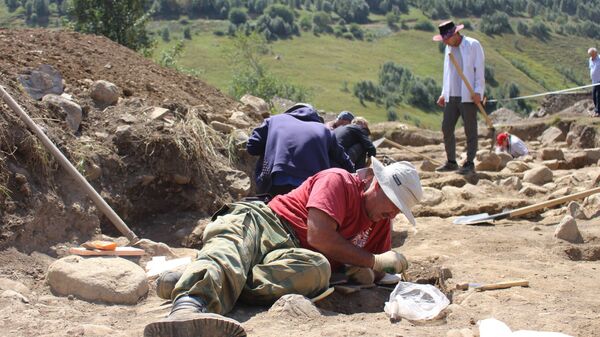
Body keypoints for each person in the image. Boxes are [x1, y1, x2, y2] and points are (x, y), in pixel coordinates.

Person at [143, 157, 423, 337]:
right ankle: (187, 308)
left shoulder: (380, 222)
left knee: (317, 271)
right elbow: (320, 237)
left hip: (292, 256)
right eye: (394, 205)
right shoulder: (337, 181)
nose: (394, 215)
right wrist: (373, 262)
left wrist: (372, 269)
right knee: (230, 248)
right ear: (377, 185)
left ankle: (215, 279)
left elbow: (372, 264)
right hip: (264, 222)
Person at [246, 103, 354, 197]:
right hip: (311, 188)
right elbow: (347, 164)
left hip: (275, 181)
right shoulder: (325, 130)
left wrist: (272, 146)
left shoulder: (273, 120)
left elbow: (252, 147)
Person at [433, 20, 485, 175]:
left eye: (447, 38)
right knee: (446, 127)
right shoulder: (448, 48)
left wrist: (478, 92)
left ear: (455, 34)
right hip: (452, 95)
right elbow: (447, 73)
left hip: (468, 94)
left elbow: (479, 70)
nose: (445, 42)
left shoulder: (473, 45)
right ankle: (451, 162)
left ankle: (469, 162)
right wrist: (444, 93)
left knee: (470, 129)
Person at [588, 47, 600, 117]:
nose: (591, 56)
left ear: (596, 53)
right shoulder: (590, 60)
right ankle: (596, 110)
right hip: (594, 81)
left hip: (599, 81)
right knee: (594, 96)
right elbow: (591, 68)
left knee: (598, 96)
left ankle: (598, 112)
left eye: (592, 54)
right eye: (590, 55)